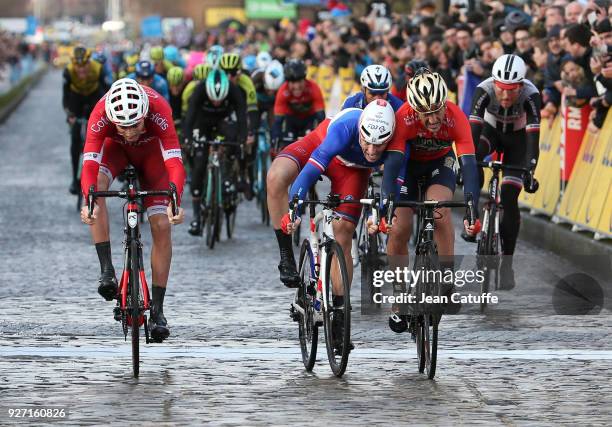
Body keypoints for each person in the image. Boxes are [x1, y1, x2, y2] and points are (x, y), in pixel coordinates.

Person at [271, 100, 401, 354]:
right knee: (276, 176)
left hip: (352, 172)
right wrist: (294, 208)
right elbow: (310, 170)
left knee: (343, 233)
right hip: (322, 147)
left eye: (379, 144)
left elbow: (390, 187)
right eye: (367, 142)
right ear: (361, 129)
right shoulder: (344, 130)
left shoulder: (395, 142)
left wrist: (382, 216)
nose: (373, 151)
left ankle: (340, 316)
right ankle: (287, 256)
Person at [79, 78, 186, 342]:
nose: (129, 132)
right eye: (122, 126)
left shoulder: (159, 109)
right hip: (115, 152)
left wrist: (175, 200)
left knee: (161, 225)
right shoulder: (100, 112)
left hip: (152, 157)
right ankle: (106, 270)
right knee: (97, 191)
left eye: (135, 125)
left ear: (145, 114)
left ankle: (158, 310)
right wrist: (88, 201)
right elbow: (90, 166)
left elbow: (174, 162)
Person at [375, 69, 482, 333]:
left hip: (440, 165)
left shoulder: (456, 117)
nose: (433, 119)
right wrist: (386, 203)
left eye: (437, 110)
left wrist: (472, 210)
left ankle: (446, 278)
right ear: (414, 109)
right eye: (426, 113)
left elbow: (469, 166)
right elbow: (392, 167)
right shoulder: (404, 118)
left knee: (439, 211)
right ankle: (400, 296)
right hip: (408, 168)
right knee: (399, 228)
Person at [469, 54, 541, 289]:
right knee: (474, 157)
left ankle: (507, 264)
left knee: (510, 198)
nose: (506, 95)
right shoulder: (484, 90)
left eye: (512, 90)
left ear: (521, 85)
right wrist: (467, 165)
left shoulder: (531, 95)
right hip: (490, 132)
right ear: (494, 83)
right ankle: (473, 218)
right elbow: (472, 132)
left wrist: (530, 169)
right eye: (502, 89)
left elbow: (533, 139)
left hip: (518, 142)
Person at [182, 69, 248, 236]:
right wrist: (188, 139)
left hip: (223, 122)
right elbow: (189, 118)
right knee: (199, 163)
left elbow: (241, 117)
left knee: (233, 140)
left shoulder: (234, 90)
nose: (216, 103)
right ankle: (197, 216)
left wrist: (242, 138)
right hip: (202, 122)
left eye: (220, 100)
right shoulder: (199, 90)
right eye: (213, 99)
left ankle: (228, 177)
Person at [62, 45, 108, 195]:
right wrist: (70, 115)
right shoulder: (68, 71)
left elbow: (106, 91)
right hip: (76, 98)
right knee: (75, 139)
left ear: (90, 62)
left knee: (98, 131)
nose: (81, 69)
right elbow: (65, 96)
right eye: (78, 66)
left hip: (94, 94)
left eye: (84, 65)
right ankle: (74, 179)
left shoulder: (98, 68)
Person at [271, 58, 326, 152]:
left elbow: (321, 116)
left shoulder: (314, 88)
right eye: (292, 82)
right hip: (291, 121)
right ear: (287, 81)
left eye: (299, 82)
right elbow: (278, 120)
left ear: (305, 79)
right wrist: (275, 139)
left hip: (309, 119)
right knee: (286, 147)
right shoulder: (283, 91)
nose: (297, 87)